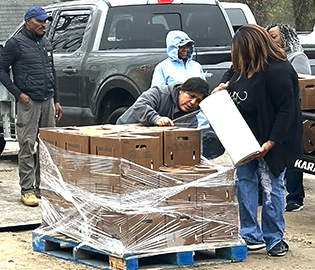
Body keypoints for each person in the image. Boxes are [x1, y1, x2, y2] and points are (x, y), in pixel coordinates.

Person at [215, 24, 301, 257]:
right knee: (243, 182)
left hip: (270, 138)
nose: (237, 58)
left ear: (253, 48)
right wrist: (222, 86)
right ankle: (250, 234)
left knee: (272, 186)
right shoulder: (242, 66)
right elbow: (230, 74)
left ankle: (274, 238)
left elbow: (286, 110)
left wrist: (271, 142)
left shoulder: (278, 71)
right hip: (242, 138)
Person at [0, 6, 62, 207]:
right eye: (39, 21)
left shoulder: (46, 43)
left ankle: (44, 187)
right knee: (27, 144)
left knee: (47, 146)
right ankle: (27, 190)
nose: (43, 25)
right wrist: (18, 94)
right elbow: (0, 70)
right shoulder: (15, 44)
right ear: (28, 21)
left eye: (45, 21)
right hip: (29, 101)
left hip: (48, 99)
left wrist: (57, 100)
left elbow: (52, 71)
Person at [267, 22, 309, 212]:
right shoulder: (271, 59)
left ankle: (295, 197)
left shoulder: (296, 57)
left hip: (292, 113)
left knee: (293, 156)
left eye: (274, 37)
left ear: (285, 37)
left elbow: (300, 84)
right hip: (274, 113)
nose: (271, 40)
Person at [116, 77, 210, 127]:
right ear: (181, 90)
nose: (193, 102)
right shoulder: (160, 92)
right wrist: (156, 119)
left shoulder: (192, 118)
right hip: (126, 132)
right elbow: (140, 105)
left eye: (198, 100)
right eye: (191, 96)